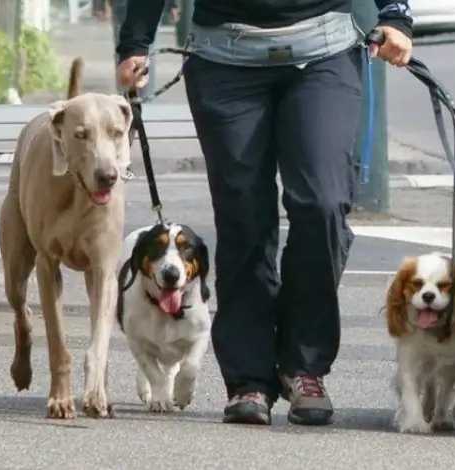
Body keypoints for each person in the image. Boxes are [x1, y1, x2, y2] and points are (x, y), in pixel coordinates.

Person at [115, 0, 413, 426]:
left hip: (324, 51)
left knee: (322, 203)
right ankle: (249, 378)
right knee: (243, 216)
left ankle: (303, 368)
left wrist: (395, 16)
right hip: (223, 58)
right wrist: (135, 43)